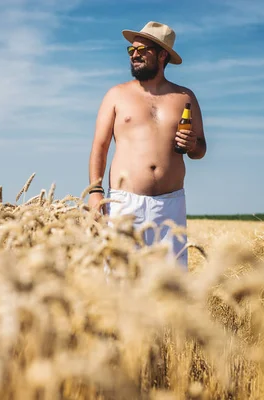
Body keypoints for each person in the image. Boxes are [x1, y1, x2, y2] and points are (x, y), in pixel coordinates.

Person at [87, 21, 206, 270]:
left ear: (162, 55)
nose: (135, 55)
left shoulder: (185, 97)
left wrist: (193, 144)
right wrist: (95, 192)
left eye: (143, 50)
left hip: (171, 205)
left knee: (171, 285)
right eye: (132, 51)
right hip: (124, 204)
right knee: (121, 280)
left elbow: (200, 150)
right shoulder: (116, 95)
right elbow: (100, 146)